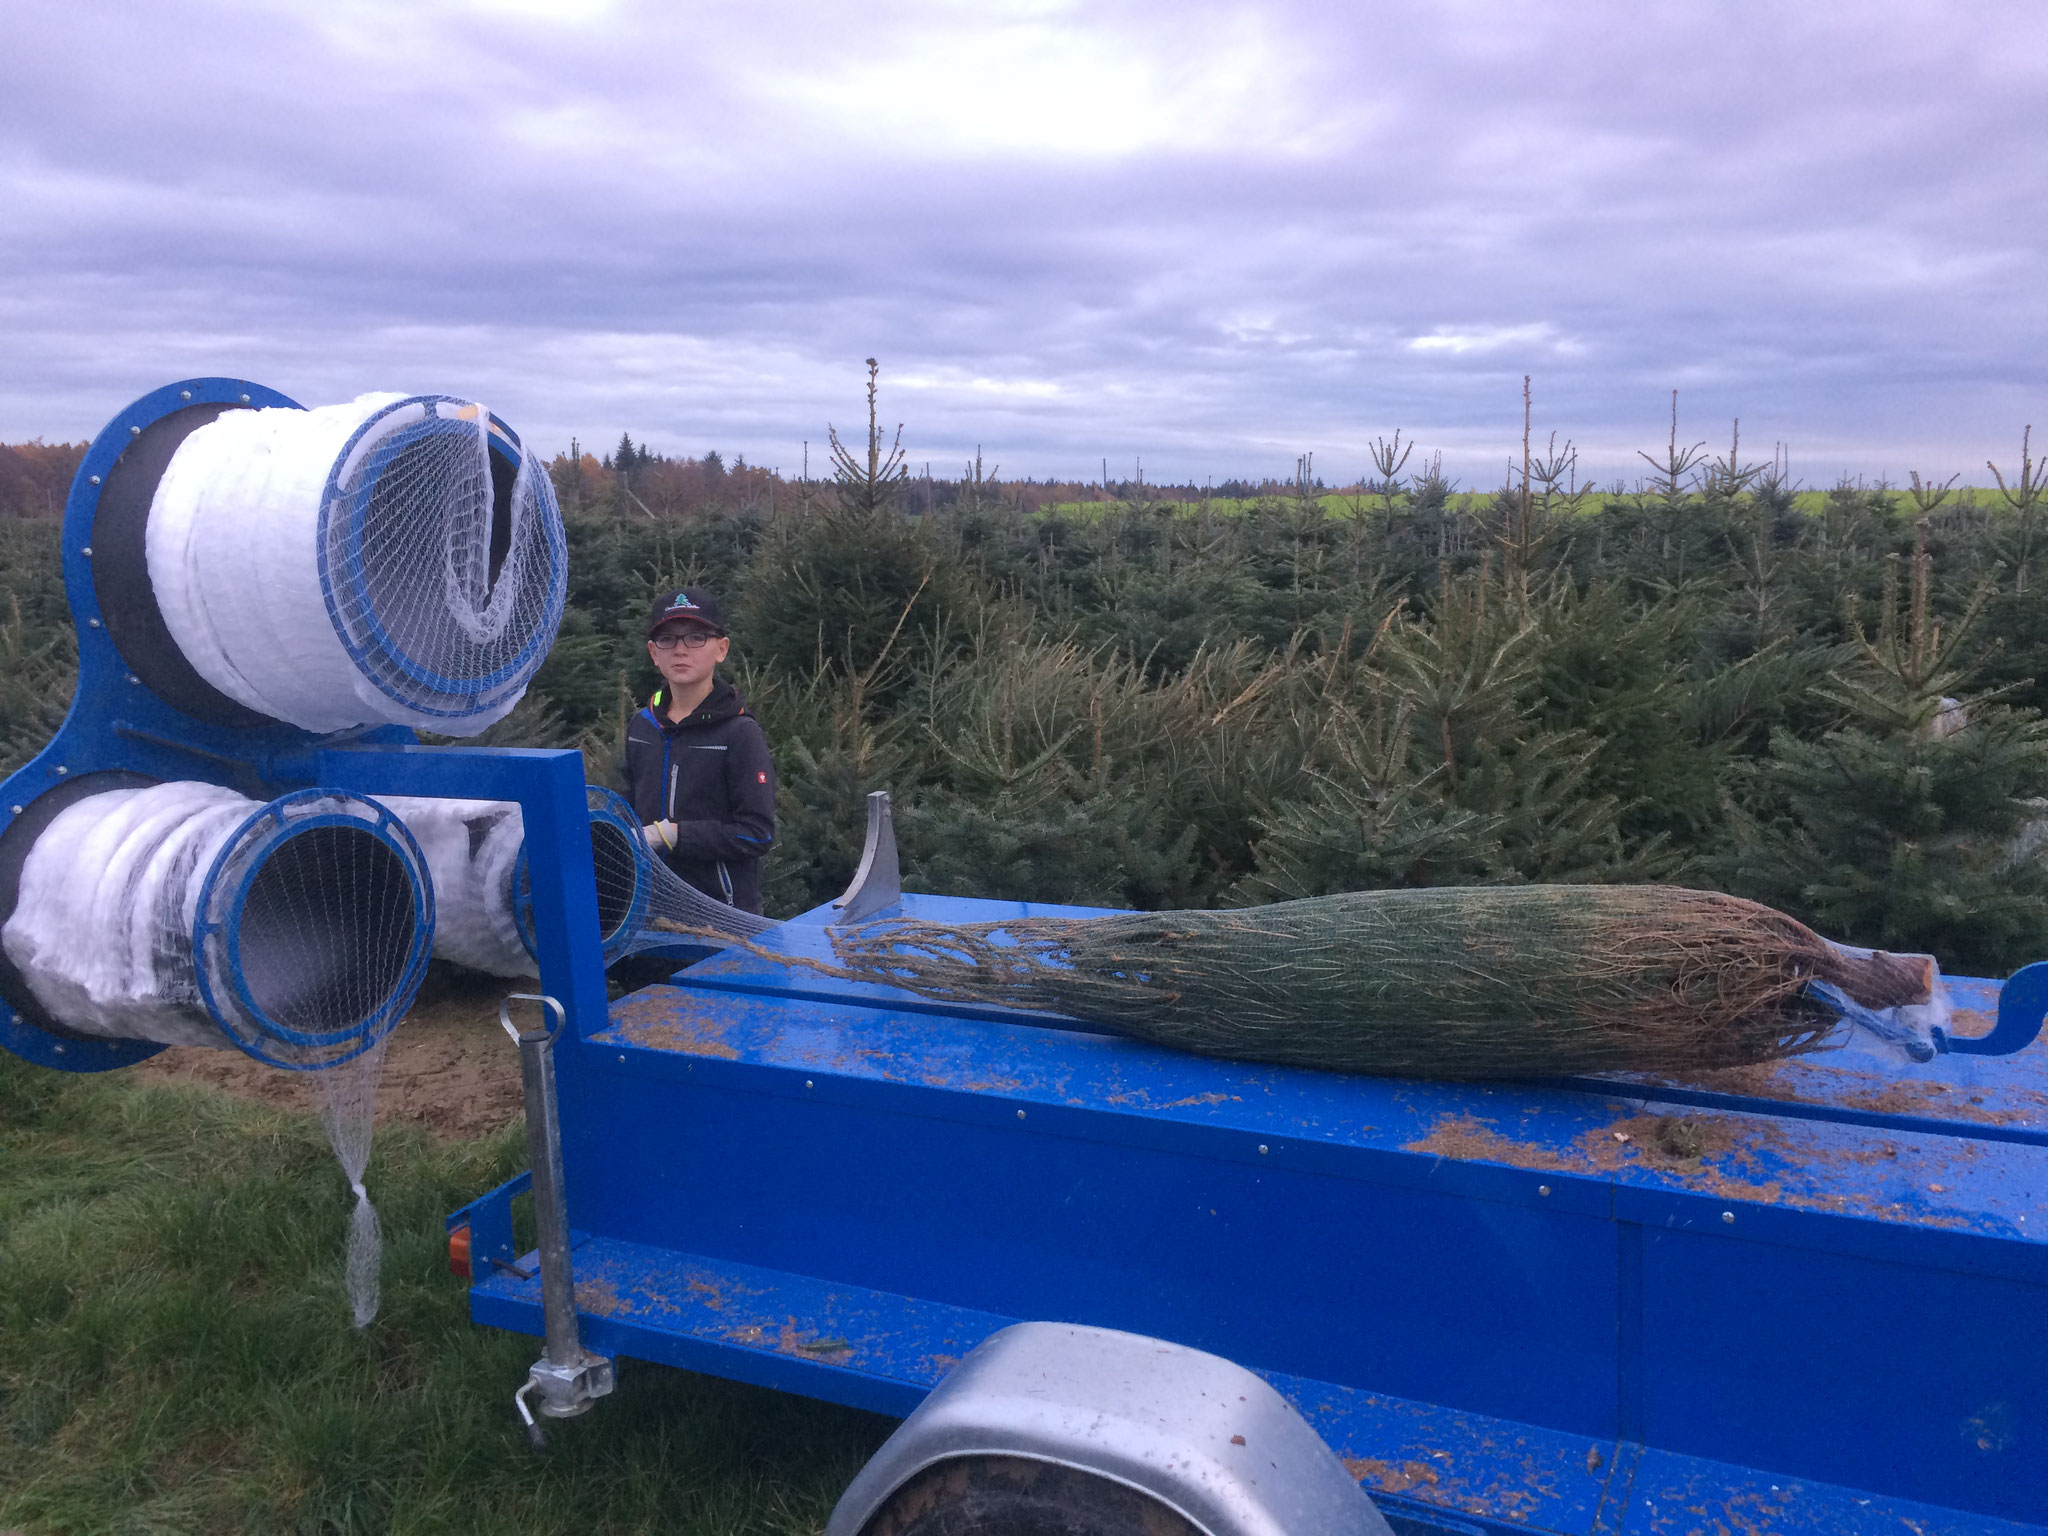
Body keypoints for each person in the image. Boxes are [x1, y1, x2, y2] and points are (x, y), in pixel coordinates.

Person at [622, 587, 776, 913]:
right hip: (648, 912)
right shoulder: (641, 727)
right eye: (667, 639)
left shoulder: (739, 733)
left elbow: (756, 834)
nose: (680, 650)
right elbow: (624, 808)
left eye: (695, 638)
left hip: (722, 917)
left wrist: (675, 835)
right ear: (653, 652)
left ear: (721, 649)